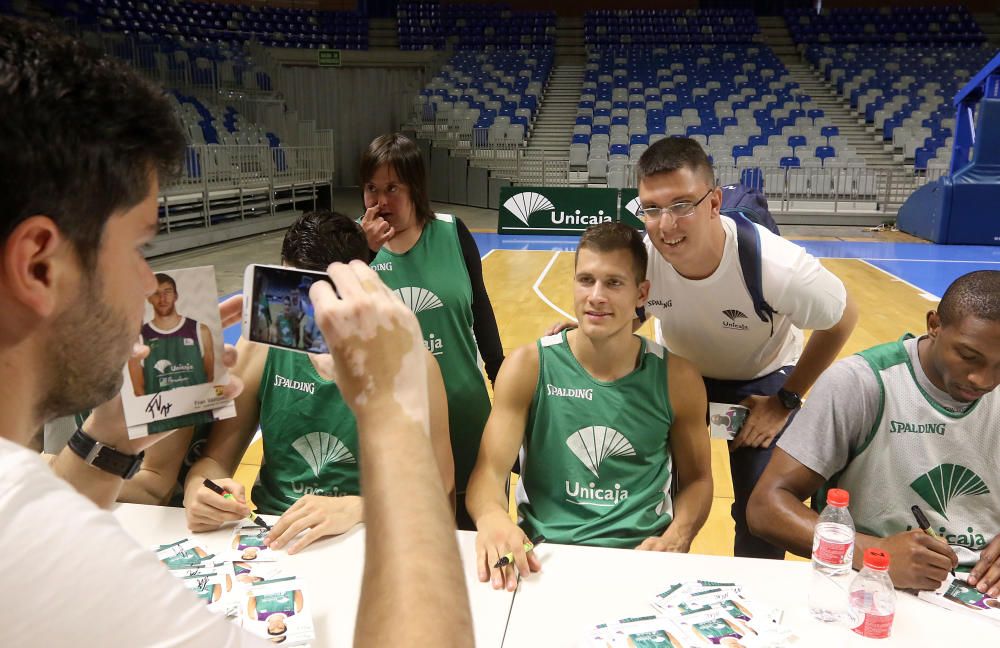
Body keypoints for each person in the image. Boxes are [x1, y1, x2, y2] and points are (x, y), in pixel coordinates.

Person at [0, 16, 472, 646]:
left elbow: (40, 527)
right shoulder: (48, 548)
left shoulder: (28, 520)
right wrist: (390, 416)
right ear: (38, 263)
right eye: (139, 245)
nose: (150, 284)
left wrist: (110, 434)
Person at [633, 137, 858, 559]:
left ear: (714, 202)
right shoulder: (642, 256)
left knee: (762, 515)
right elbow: (633, 308)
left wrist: (786, 398)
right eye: (652, 208)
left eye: (682, 205)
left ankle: (754, 609)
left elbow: (843, 317)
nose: (666, 225)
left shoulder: (780, 267)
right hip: (682, 375)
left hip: (761, 381)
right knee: (648, 498)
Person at [184, 210, 455, 555]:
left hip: (372, 536)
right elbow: (214, 462)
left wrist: (358, 507)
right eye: (294, 294)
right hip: (275, 534)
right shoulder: (261, 345)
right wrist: (200, 490)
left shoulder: (411, 361)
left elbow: (440, 485)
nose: (306, 314)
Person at [467, 223, 712, 591]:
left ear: (641, 293)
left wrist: (677, 536)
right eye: (586, 280)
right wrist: (490, 515)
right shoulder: (528, 367)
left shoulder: (677, 378)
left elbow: (697, 480)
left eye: (613, 283)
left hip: (640, 559)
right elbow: (488, 471)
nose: (596, 296)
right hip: (545, 559)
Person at [748, 271, 1000, 594]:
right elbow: (765, 508)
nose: (983, 379)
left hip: (983, 592)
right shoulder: (860, 383)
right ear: (934, 325)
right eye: (968, 356)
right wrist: (871, 552)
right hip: (873, 585)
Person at [360, 132, 503, 530]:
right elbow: (323, 323)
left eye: (393, 188)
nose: (381, 201)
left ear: (415, 188)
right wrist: (362, 251)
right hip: (391, 426)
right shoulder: (349, 244)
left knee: (475, 544)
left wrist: (502, 381)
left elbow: (482, 310)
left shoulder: (451, 231)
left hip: (464, 413)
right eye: (372, 188)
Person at [129, 273, 215, 397]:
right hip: (162, 413)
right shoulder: (138, 339)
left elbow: (209, 378)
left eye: (167, 292)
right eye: (156, 293)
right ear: (148, 298)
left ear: (176, 296)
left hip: (199, 415)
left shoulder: (200, 331)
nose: (162, 298)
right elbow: (138, 390)